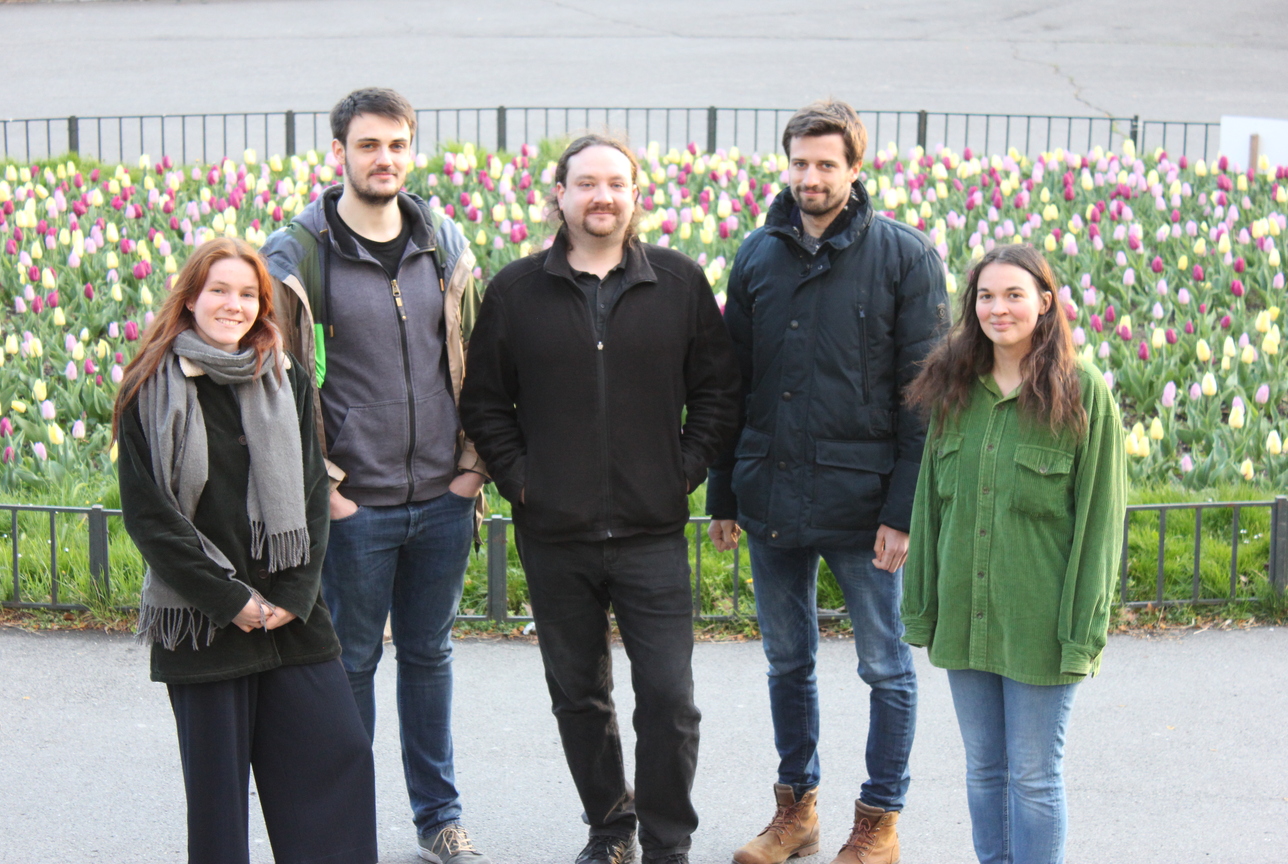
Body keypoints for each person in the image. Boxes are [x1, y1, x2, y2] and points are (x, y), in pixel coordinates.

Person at [459, 133, 740, 864]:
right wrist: (526, 482)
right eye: (586, 183)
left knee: (670, 701)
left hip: (651, 532)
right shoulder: (517, 291)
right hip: (556, 534)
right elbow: (486, 404)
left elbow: (716, 392)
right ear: (559, 194)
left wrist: (679, 471)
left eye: (616, 183)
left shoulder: (677, 283)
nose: (601, 196)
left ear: (636, 195)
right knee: (579, 697)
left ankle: (668, 843)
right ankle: (610, 827)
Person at [706, 99, 949, 864]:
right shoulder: (756, 256)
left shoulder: (904, 257)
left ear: (854, 168)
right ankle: (795, 812)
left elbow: (924, 397)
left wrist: (902, 511)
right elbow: (730, 383)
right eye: (800, 163)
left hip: (864, 501)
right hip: (771, 495)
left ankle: (879, 819)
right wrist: (723, 493)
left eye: (826, 164)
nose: (811, 178)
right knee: (787, 659)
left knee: (885, 666)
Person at [260, 88, 490, 864]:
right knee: (351, 663)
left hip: (443, 500)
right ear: (341, 154)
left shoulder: (444, 243)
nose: (383, 159)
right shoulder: (296, 256)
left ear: (410, 151)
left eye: (396, 145)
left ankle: (440, 818)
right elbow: (273, 390)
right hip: (354, 504)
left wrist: (471, 470)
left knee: (429, 657)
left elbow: (477, 361)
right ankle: (344, 825)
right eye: (368, 146)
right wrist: (325, 490)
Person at [114, 237, 377, 864]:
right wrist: (233, 601)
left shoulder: (282, 377)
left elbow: (315, 487)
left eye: (248, 294)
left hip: (292, 619)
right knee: (218, 808)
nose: (234, 305)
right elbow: (150, 517)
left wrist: (291, 595)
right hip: (206, 622)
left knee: (338, 758)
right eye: (219, 291)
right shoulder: (149, 386)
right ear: (191, 299)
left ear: (263, 305)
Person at [901, 244, 1126, 864]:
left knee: (1032, 776)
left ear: (1045, 304)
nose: (998, 308)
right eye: (985, 296)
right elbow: (928, 506)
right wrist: (921, 609)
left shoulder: (1082, 395)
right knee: (983, 771)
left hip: (1039, 625)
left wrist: (1082, 631)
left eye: (1014, 294)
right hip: (965, 618)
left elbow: (1101, 525)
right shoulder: (953, 391)